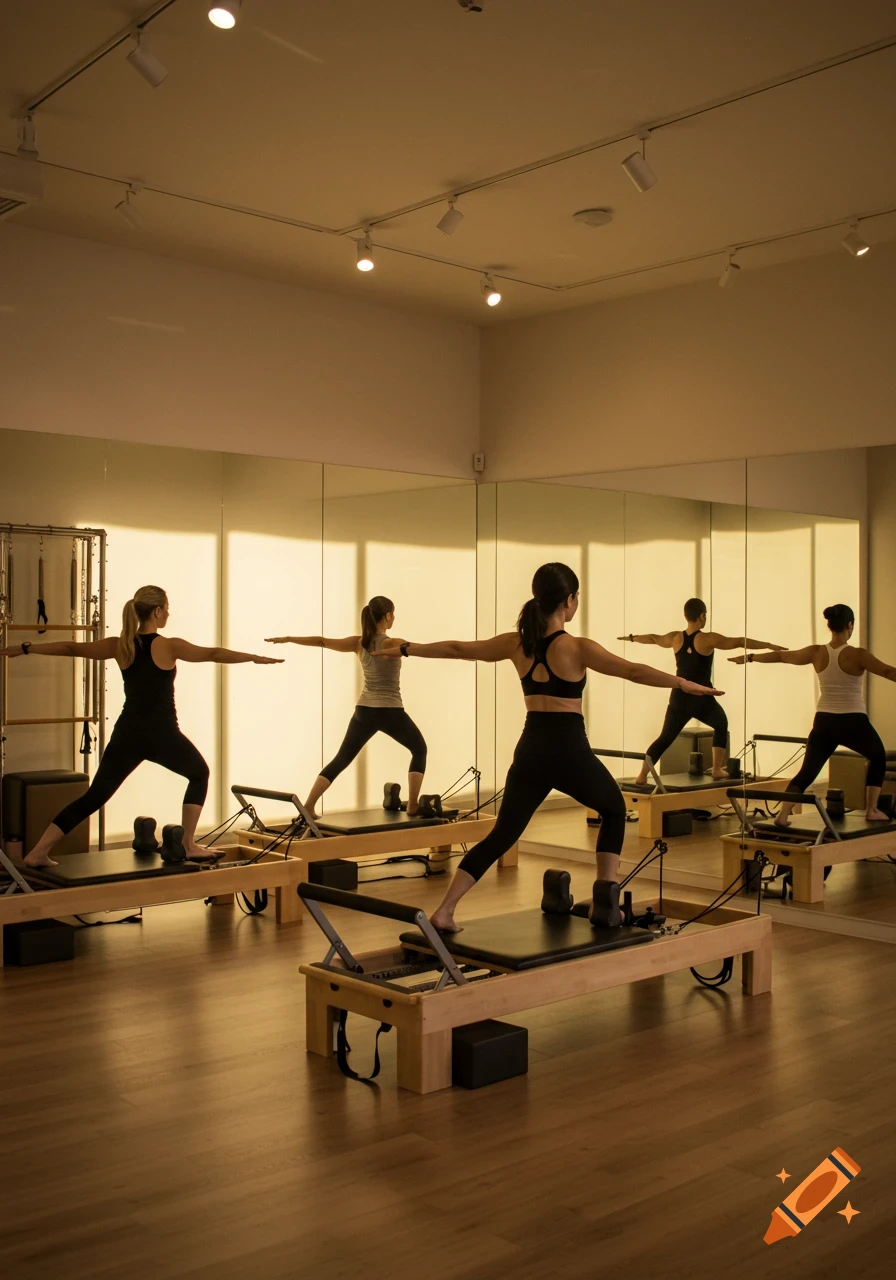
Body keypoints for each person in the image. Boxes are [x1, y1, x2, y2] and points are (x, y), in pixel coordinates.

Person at [376, 564, 722, 932]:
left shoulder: (516, 643)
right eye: (576, 599)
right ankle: (606, 902)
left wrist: (409, 649)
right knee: (614, 809)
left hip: (530, 751)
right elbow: (633, 671)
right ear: (569, 601)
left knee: (502, 834)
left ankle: (444, 911)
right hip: (568, 749)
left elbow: (460, 649)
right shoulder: (576, 647)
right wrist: (685, 684)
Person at [1, 585, 281, 868]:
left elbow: (73, 648)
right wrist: (252, 657)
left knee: (94, 797)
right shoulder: (169, 645)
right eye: (167, 608)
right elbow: (213, 653)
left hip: (128, 734)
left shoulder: (120, 645)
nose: (169, 613)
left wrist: (26, 648)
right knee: (199, 773)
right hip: (162, 734)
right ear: (157, 611)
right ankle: (187, 844)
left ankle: (38, 852)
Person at [729, 603, 894, 826]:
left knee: (807, 772)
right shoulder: (857, 655)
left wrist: (749, 658)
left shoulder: (817, 652)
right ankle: (872, 809)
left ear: (830, 626)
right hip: (853, 721)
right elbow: (887, 671)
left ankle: (783, 814)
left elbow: (781, 656)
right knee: (877, 756)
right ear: (850, 626)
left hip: (824, 720)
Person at [267, 595, 427, 817]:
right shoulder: (392, 643)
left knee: (342, 758)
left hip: (364, 711)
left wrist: (289, 638)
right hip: (390, 711)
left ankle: (308, 806)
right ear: (388, 616)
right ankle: (412, 805)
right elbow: (421, 649)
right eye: (393, 614)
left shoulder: (357, 642)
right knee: (419, 749)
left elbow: (322, 641)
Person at [620, 598, 783, 784]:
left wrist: (632, 638)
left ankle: (641, 776)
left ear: (685, 615)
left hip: (679, 696)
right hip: (701, 696)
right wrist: (769, 645)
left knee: (665, 737)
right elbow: (738, 641)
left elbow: (652, 638)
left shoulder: (675, 638)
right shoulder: (707, 639)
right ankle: (716, 769)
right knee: (721, 724)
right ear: (702, 616)